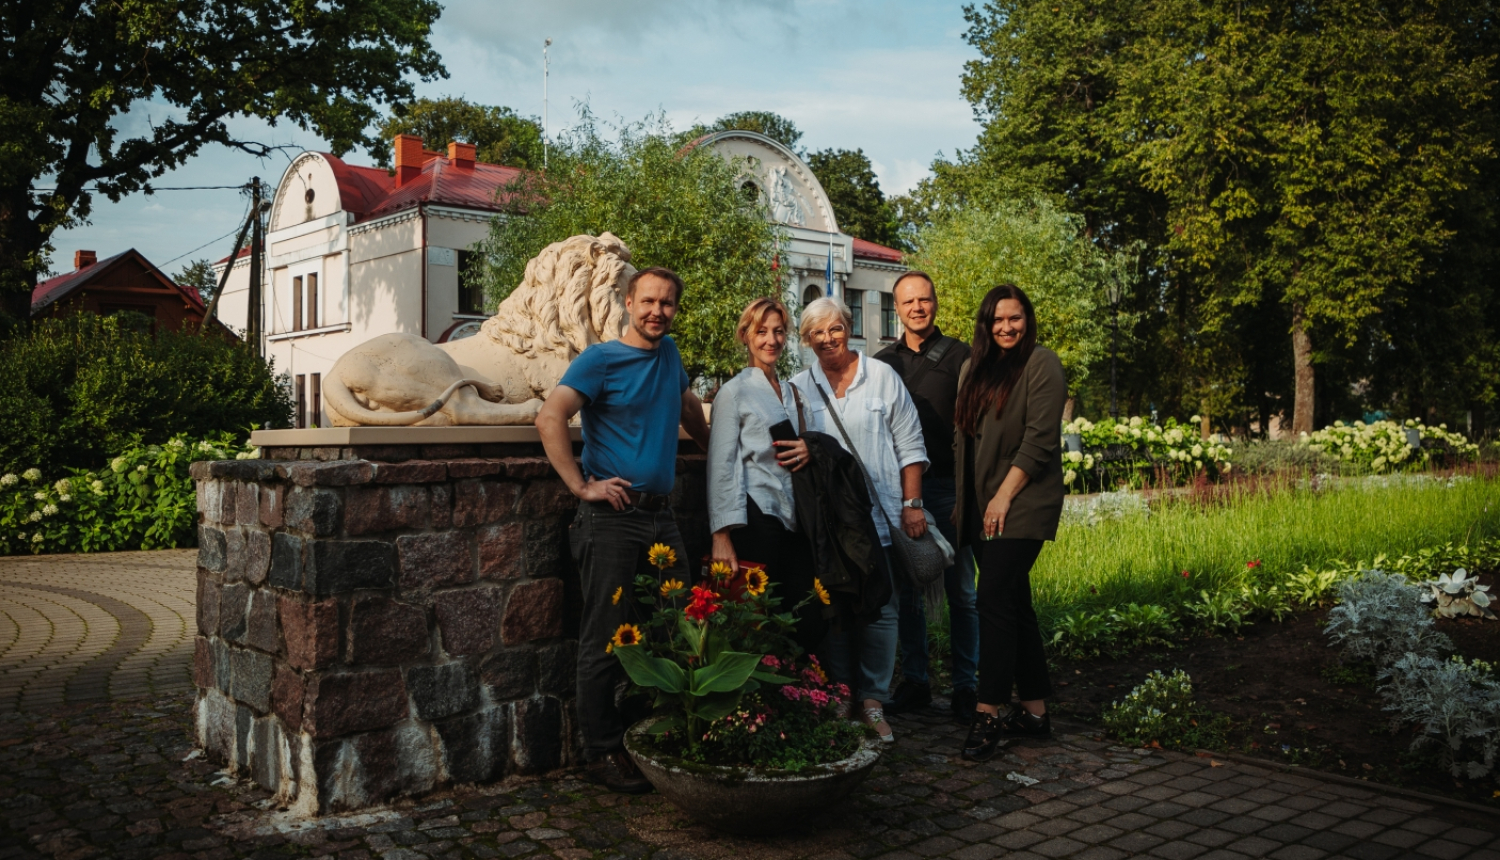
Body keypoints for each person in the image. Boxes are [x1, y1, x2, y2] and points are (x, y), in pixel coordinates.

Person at [536, 266, 711, 792]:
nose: (658, 311)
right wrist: (580, 485)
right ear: (629, 303)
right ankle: (601, 751)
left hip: (661, 516)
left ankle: (655, 734)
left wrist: (716, 450)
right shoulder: (601, 359)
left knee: (678, 625)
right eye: (648, 301)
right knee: (605, 636)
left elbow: (688, 407)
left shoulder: (670, 354)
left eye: (667, 303)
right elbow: (550, 417)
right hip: (611, 519)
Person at [790, 296, 927, 744]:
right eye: (817, 332)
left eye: (835, 328)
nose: (828, 338)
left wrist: (912, 505)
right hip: (828, 525)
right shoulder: (798, 388)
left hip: (879, 516)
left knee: (881, 610)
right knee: (834, 609)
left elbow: (910, 444)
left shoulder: (881, 376)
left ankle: (872, 700)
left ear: (849, 328)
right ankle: (840, 696)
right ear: (806, 340)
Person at [952, 285, 1068, 762]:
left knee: (992, 600)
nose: (1006, 327)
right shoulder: (972, 368)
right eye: (997, 320)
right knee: (1015, 604)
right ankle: (1035, 714)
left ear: (1028, 320)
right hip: (984, 507)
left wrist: (1002, 496)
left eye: (1015, 318)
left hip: (1021, 501)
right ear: (986, 324)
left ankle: (988, 711)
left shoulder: (1042, 363)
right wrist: (969, 505)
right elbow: (964, 441)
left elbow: (1040, 440)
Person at [873, 271, 980, 723]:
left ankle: (966, 686)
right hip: (900, 491)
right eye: (908, 302)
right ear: (896, 309)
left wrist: (969, 493)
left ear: (935, 302)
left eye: (925, 299)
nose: (917, 308)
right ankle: (916, 681)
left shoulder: (962, 356)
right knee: (910, 593)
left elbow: (976, 428)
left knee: (963, 593)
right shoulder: (881, 364)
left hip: (950, 488)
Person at [706, 298, 823, 648]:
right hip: (756, 517)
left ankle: (800, 682)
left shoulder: (794, 393)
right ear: (746, 335)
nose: (771, 340)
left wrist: (810, 448)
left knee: (803, 618)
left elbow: (812, 444)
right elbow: (722, 464)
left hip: (797, 519)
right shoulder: (734, 392)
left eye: (778, 331)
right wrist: (721, 535)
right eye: (761, 332)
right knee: (753, 619)